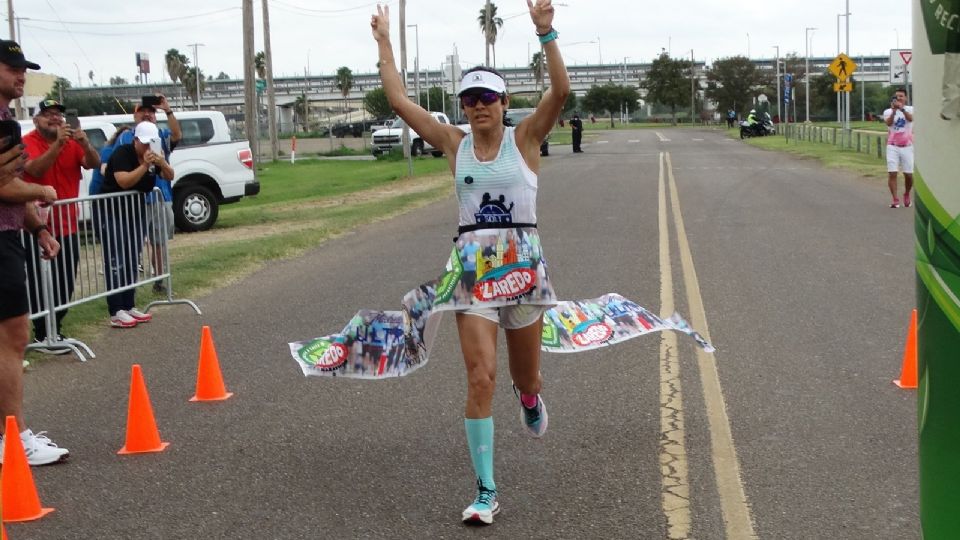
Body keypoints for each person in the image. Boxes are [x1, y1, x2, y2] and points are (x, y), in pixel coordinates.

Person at [371, 0, 570, 525]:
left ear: (504, 103)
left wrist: (546, 33)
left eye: (487, 97)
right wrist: (384, 42)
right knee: (480, 376)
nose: (478, 106)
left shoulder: (524, 140)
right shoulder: (453, 144)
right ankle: (486, 490)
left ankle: (528, 398)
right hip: (473, 273)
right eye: (469, 99)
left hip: (523, 268)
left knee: (526, 379)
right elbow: (398, 100)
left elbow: (561, 93)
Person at [0, 39, 70, 465]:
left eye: (22, 67)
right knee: (14, 337)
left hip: (9, 233)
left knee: (9, 339)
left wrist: (40, 228)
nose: (20, 74)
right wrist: (43, 190)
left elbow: (8, 183)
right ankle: (14, 437)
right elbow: (4, 185)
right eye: (10, 67)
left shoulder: (7, 118)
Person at [22, 99, 100, 352]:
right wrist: (58, 144)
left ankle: (56, 328)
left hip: (68, 225)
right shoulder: (28, 142)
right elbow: (34, 170)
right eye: (47, 115)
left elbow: (93, 163)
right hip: (37, 226)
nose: (54, 119)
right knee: (38, 281)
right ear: (36, 120)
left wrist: (85, 143)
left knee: (65, 281)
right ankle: (43, 333)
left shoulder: (72, 142)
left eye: (58, 115)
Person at [100, 121, 174, 328]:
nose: (147, 147)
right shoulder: (123, 153)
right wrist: (144, 166)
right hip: (113, 212)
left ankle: (128, 304)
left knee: (133, 259)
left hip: (135, 212)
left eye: (150, 143)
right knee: (117, 260)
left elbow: (170, 176)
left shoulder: (156, 154)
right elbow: (123, 181)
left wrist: (162, 163)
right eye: (143, 143)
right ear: (135, 141)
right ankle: (116, 310)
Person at [116, 96, 181, 293]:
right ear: (135, 115)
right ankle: (130, 284)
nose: (147, 114)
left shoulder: (161, 134)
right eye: (142, 111)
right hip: (136, 199)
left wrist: (167, 110)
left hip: (161, 196)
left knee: (159, 241)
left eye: (151, 111)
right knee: (133, 242)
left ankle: (159, 280)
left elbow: (177, 135)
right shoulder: (127, 137)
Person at [883, 88, 914, 208]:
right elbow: (889, 123)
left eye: (901, 96)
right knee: (892, 173)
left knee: (909, 174)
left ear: (905, 98)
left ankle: (906, 194)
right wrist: (894, 111)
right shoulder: (888, 111)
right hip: (892, 145)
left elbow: (911, 119)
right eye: (897, 96)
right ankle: (895, 199)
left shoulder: (911, 109)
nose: (899, 98)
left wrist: (902, 109)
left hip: (907, 146)